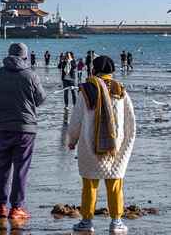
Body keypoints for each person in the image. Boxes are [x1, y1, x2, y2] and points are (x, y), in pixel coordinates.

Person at [67, 56, 136, 234]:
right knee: (115, 185)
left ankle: (87, 222)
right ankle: (116, 222)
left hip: (90, 146)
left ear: (93, 70)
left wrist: (72, 140)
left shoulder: (87, 90)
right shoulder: (121, 90)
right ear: (111, 72)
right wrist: (126, 144)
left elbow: (76, 120)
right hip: (116, 147)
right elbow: (130, 122)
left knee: (89, 185)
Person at [0, 43, 46, 220]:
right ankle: (16, 208)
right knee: (21, 169)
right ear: (25, 57)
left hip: (2, 127)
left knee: (1, 168)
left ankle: (1, 206)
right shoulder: (31, 76)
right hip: (25, 129)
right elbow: (40, 99)